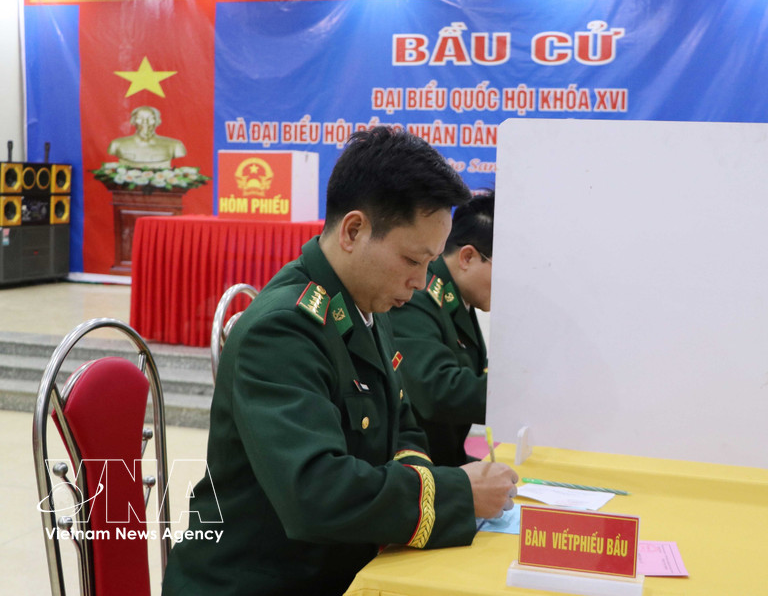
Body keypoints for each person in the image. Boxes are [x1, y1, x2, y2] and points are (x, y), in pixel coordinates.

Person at [162, 128, 517, 596]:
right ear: (353, 231)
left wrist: (423, 481)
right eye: (413, 260)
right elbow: (316, 493)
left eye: (430, 262)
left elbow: (404, 426)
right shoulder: (284, 329)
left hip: (341, 564)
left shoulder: (366, 303)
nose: (420, 281)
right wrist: (455, 494)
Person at [389, 191, 494, 466]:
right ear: (467, 257)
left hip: (445, 463)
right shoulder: (417, 296)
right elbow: (436, 390)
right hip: (416, 471)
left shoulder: (460, 299)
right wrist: (518, 396)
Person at [107, 105, 186, 168]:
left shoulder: (175, 145)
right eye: (139, 118)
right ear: (132, 121)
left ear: (158, 121)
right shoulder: (117, 144)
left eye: (151, 118)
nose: (145, 122)